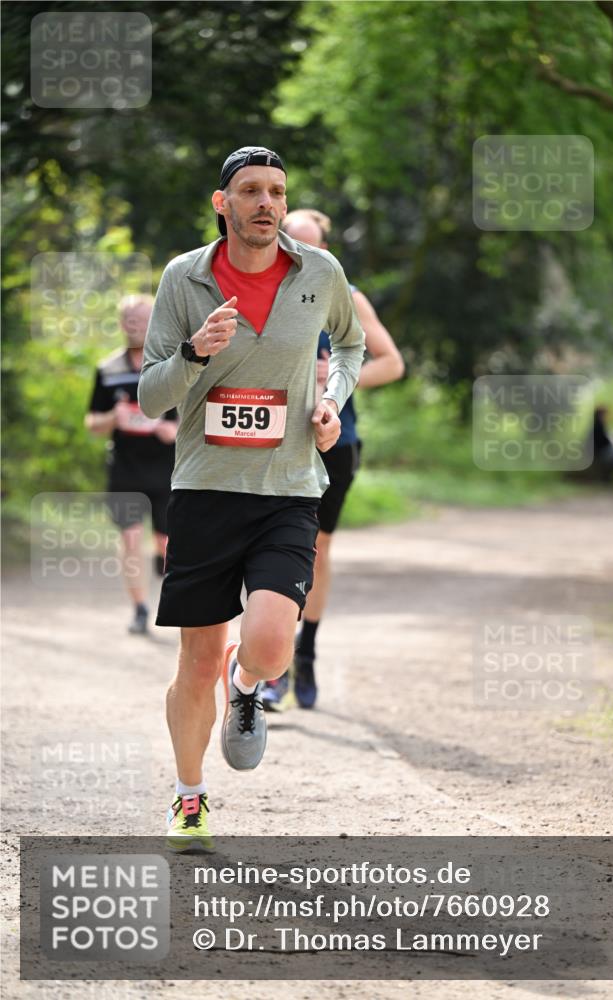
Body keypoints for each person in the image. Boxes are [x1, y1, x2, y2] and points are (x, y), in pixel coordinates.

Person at [138, 146, 365, 851]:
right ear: (222, 202)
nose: (265, 202)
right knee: (194, 662)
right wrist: (194, 354)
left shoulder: (320, 272)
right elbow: (151, 396)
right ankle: (188, 797)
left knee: (268, 649)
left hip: (289, 488)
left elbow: (351, 348)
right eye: (250, 191)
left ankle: (249, 686)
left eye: (275, 190)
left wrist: (330, 401)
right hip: (206, 488)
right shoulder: (184, 278)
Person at [261, 209, 404, 712]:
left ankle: (306, 655)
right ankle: (268, 662)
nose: (303, 255)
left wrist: (335, 379)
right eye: (293, 244)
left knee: (314, 551)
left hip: (333, 442)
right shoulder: (259, 289)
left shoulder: (347, 295)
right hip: (269, 440)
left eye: (314, 247)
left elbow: (391, 362)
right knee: (263, 548)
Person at [85, 294, 178, 635]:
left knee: (165, 544)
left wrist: (174, 429)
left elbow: (194, 419)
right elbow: (92, 422)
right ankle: (140, 608)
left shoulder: (172, 365)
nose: (133, 326)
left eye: (140, 319)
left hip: (166, 468)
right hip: (125, 467)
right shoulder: (107, 369)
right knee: (129, 538)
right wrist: (112, 417)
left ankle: (161, 558)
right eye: (128, 319)